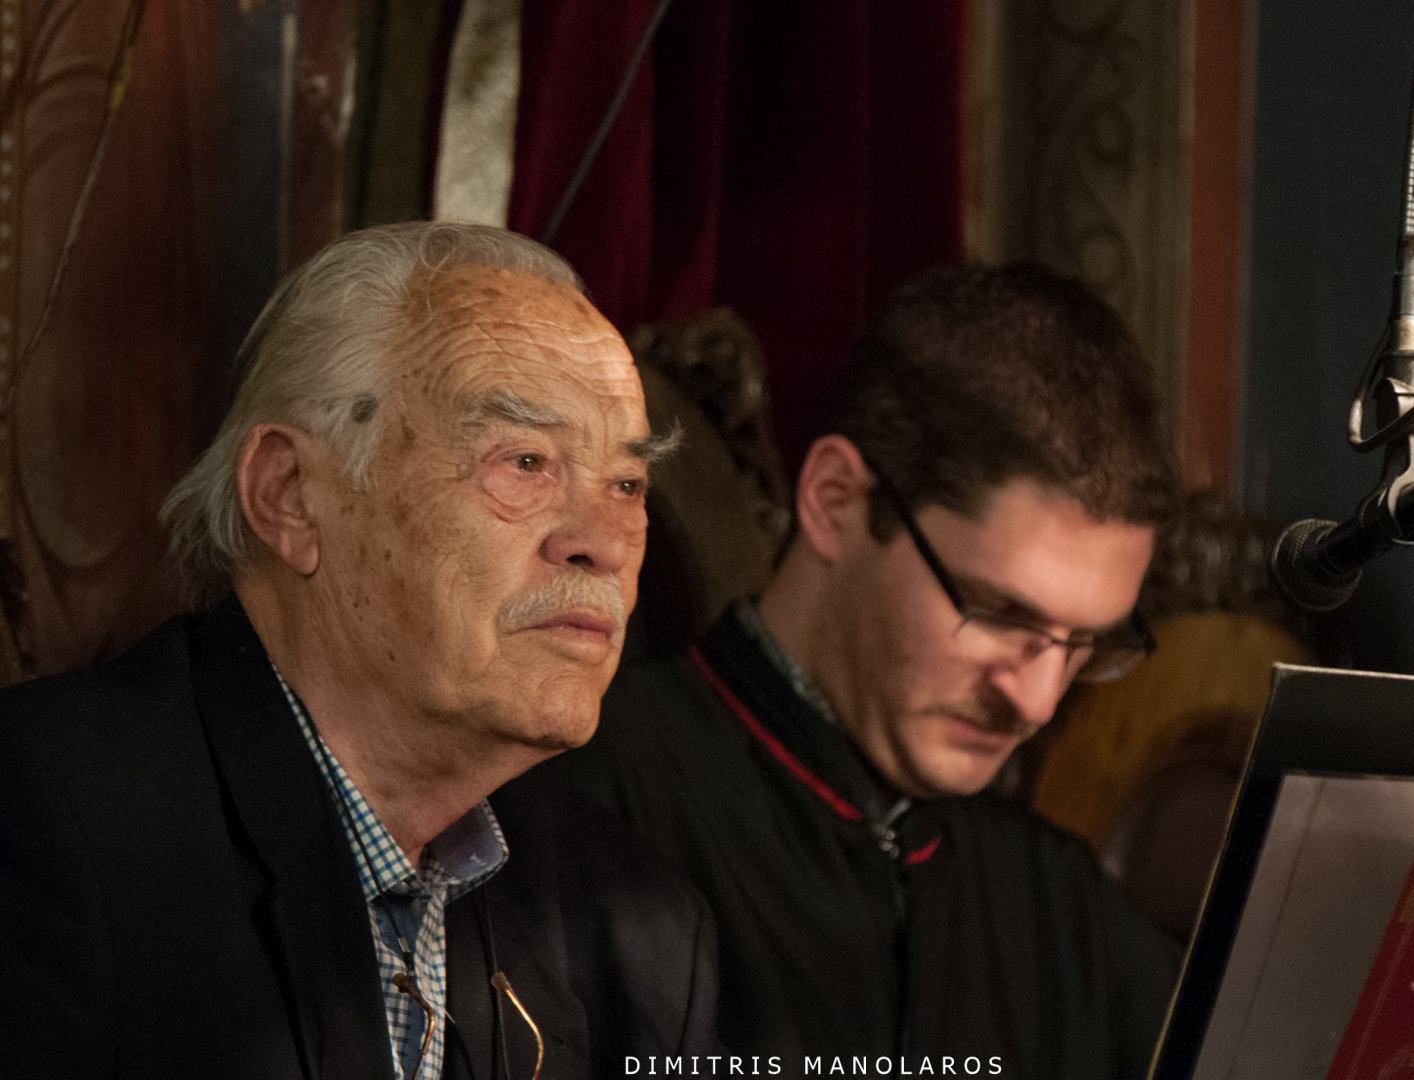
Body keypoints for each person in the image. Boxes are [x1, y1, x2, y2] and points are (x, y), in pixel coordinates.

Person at [0, 222, 719, 1080]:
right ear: (292, 495)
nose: (601, 542)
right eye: (526, 461)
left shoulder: (638, 933)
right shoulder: (45, 821)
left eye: (627, 484)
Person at [548, 262, 1184, 1079]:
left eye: (1085, 640)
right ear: (836, 499)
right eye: (1000, 612)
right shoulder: (584, 804)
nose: (1036, 701)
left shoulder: (1061, 903)